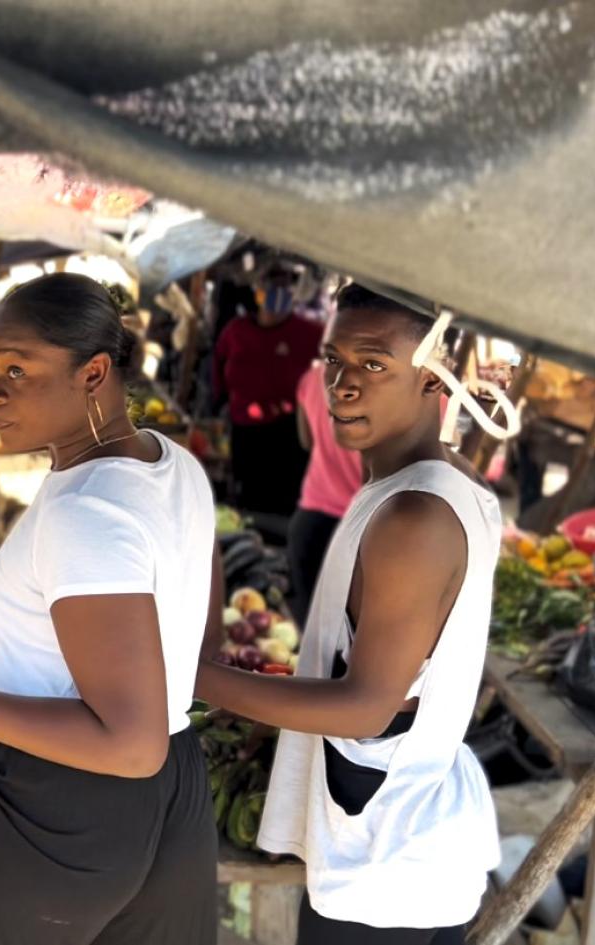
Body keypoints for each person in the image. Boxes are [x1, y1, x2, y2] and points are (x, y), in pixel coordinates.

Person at [0, 272, 221, 944]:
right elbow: (198, 628)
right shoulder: (173, 466)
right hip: (171, 792)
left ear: (94, 372)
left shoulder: (85, 513)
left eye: (18, 369)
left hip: (56, 802)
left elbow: (128, 742)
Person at [195, 284, 502, 944]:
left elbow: (365, 705)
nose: (343, 385)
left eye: (373, 363)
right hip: (406, 844)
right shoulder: (424, 486)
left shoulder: (413, 517)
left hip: (386, 873)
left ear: (431, 375)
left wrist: (196, 677)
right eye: (333, 362)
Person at [212, 266, 324, 518]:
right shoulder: (236, 331)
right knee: (248, 496)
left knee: (283, 499)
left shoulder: (311, 333)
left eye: (285, 288)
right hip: (244, 429)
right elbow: (217, 368)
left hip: (287, 434)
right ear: (258, 293)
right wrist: (218, 404)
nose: (279, 294)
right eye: (272, 288)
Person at [288, 358, 364, 619]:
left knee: (306, 637)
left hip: (310, 525)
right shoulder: (411, 392)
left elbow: (306, 440)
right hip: (362, 534)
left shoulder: (315, 376)